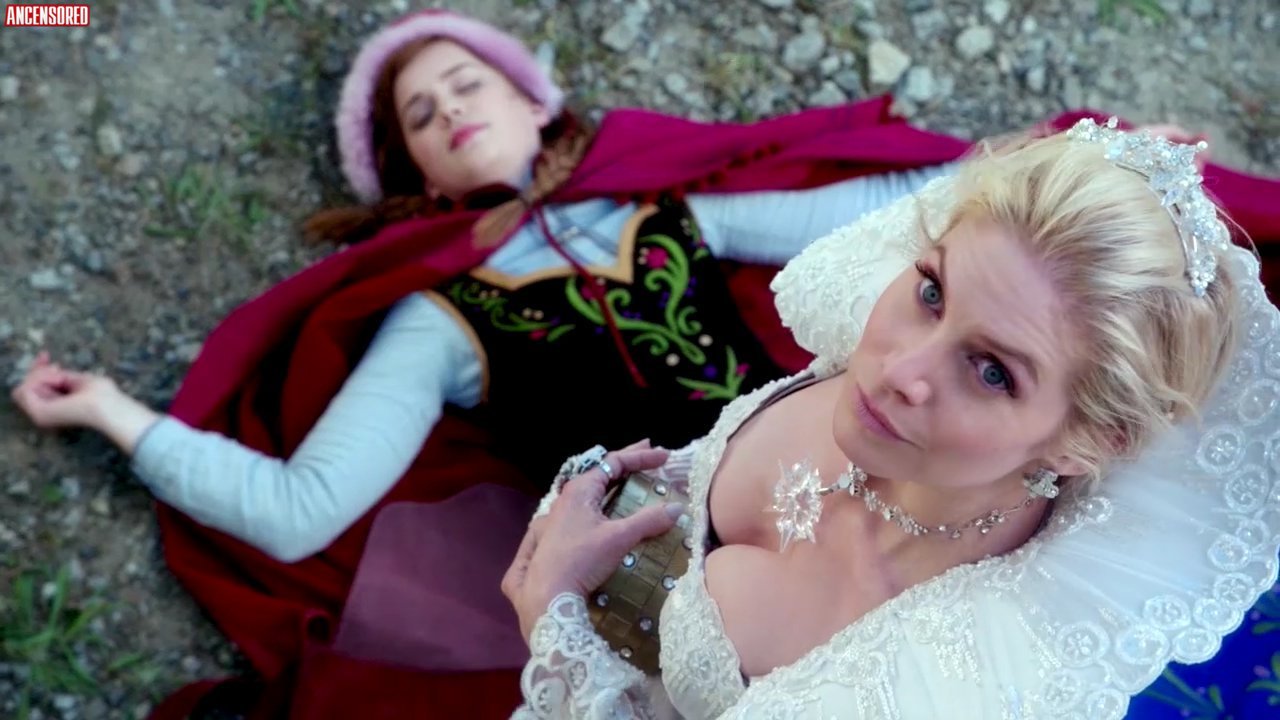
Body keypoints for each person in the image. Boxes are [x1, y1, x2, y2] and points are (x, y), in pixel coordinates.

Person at [10, 9, 1280, 719]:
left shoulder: (674, 210)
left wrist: (1093, 173)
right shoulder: (438, 320)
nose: (448, 107)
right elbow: (305, 508)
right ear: (408, 178)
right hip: (639, 552)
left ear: (536, 101)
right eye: (417, 115)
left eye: (464, 79)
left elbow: (911, 211)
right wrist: (117, 414)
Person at [500, 121, 1280, 718]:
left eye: (992, 371)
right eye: (933, 292)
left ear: (1088, 442)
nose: (897, 370)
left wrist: (554, 625)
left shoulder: (936, 680)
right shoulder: (895, 313)